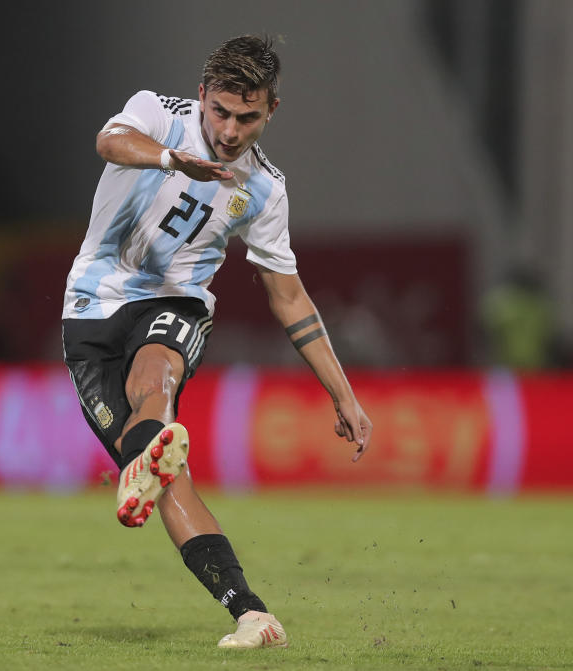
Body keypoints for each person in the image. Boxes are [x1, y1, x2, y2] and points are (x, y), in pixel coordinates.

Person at [61, 35, 372, 649]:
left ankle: (148, 447)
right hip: (90, 310)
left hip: (174, 303)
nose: (230, 131)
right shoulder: (156, 114)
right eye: (221, 112)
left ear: (272, 110)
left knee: (155, 379)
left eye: (248, 117)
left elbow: (289, 298)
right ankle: (253, 615)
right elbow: (108, 142)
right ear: (202, 95)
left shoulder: (264, 189)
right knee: (171, 480)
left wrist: (344, 393)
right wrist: (174, 162)